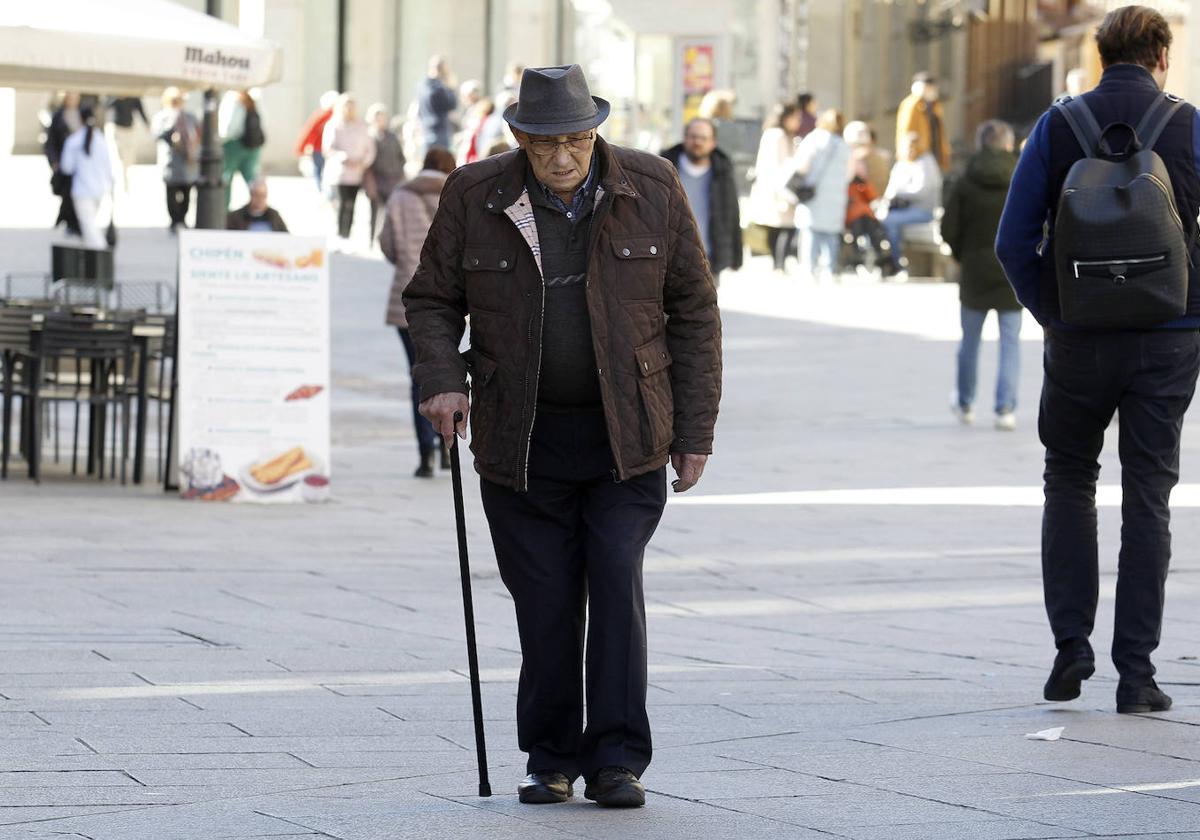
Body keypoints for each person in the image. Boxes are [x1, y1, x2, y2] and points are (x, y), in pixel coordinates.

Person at [403, 64, 721, 809]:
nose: (564, 157)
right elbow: (431, 301)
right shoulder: (475, 194)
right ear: (520, 138)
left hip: (628, 435)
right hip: (523, 438)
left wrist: (696, 429)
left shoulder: (653, 187)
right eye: (548, 144)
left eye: (578, 140)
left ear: (595, 132)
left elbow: (696, 312)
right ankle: (549, 755)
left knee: (614, 585)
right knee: (543, 600)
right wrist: (442, 379)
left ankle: (616, 759)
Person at [996, 5, 1200, 715]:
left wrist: (1056, 314)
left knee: (1069, 480)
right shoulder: (1189, 125)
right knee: (1148, 495)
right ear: (1161, 56)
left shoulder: (1058, 124)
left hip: (1080, 339)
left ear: (1098, 53)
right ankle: (1136, 675)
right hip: (1169, 339)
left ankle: (1069, 649)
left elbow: (1012, 241)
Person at [380, 147, 456, 478]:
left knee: (417, 375)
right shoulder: (456, 193)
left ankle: (424, 455)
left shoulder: (400, 195)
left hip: (405, 298)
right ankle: (447, 446)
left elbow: (386, 244)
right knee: (446, 371)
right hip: (449, 300)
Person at [941, 119, 1020, 430]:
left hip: (974, 269)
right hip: (1011, 270)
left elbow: (949, 227)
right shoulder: (1020, 177)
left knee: (970, 341)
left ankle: (965, 402)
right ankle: (1005, 408)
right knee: (1010, 343)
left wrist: (964, 254)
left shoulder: (965, 179)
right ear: (1008, 144)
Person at [661, 117, 743, 277]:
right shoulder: (665, 167)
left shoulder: (723, 172)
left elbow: (732, 213)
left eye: (703, 138)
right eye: (693, 136)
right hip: (670, 257)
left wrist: (736, 257)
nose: (697, 142)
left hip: (708, 258)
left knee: (706, 302)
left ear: (713, 142)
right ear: (685, 139)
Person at [792, 109, 852, 280]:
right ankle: (830, 269)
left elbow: (802, 165)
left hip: (814, 193)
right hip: (836, 196)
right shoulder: (843, 145)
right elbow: (849, 173)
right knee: (831, 234)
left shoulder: (814, 139)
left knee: (811, 231)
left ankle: (809, 269)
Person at [879, 132, 942, 279]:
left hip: (923, 210)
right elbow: (890, 190)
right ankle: (892, 261)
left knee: (889, 222)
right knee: (885, 222)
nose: (909, 150)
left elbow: (922, 190)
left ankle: (896, 263)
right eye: (906, 147)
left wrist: (900, 193)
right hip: (900, 210)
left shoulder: (926, 163)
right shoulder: (900, 164)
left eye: (912, 147)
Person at [749, 103, 802, 272]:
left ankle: (777, 264)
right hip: (779, 187)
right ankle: (779, 265)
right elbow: (781, 164)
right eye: (796, 117)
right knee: (785, 226)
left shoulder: (772, 134)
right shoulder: (779, 136)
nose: (798, 121)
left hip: (770, 186)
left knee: (777, 226)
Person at [322, 93, 376, 241]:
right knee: (342, 203)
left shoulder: (362, 126)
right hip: (339, 173)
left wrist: (363, 162)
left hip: (357, 173)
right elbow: (328, 148)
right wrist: (343, 157)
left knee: (351, 204)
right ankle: (340, 234)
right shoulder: (333, 125)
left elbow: (370, 148)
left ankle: (347, 234)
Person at [58, 106, 114, 250]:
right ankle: (91, 259)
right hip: (100, 189)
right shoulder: (101, 140)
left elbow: (66, 167)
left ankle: (101, 256)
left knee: (90, 228)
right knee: (90, 226)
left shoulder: (74, 141)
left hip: (82, 190)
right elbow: (108, 167)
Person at [152, 87, 200, 233]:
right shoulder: (162, 117)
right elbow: (156, 135)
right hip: (171, 161)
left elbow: (197, 133)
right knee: (171, 193)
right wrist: (170, 130)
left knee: (186, 193)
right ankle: (174, 220)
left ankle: (183, 219)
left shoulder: (189, 117)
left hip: (187, 161)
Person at [365, 103, 406, 245]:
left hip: (393, 179)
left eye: (382, 117)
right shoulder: (369, 136)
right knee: (375, 211)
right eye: (377, 117)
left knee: (392, 213)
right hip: (376, 179)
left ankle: (389, 241)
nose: (380, 120)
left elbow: (401, 157)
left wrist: (400, 173)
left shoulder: (393, 137)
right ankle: (371, 239)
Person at [44, 91, 83, 237]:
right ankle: (70, 222)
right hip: (64, 161)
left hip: (81, 163)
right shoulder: (58, 117)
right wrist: (54, 161)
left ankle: (73, 221)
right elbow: (51, 142)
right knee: (68, 192)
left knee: (79, 193)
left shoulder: (83, 115)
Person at [896, 72, 951, 171]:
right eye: (928, 88)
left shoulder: (934, 105)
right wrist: (910, 153)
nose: (932, 91)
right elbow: (906, 131)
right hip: (919, 157)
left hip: (933, 151)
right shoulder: (912, 105)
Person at [220, 89, 265, 209]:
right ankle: (259, 207)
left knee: (226, 178)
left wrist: (221, 140)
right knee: (252, 179)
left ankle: (224, 210)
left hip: (233, 144)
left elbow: (229, 126)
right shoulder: (256, 98)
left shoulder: (233, 98)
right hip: (253, 145)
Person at [295, 90, 338, 190]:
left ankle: (322, 191)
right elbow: (311, 131)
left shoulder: (321, 115)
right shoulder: (328, 116)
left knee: (319, 171)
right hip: (323, 149)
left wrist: (300, 149)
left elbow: (309, 132)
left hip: (321, 149)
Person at [105, 96, 148, 193]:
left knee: (129, 159)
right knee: (119, 158)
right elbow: (107, 105)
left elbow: (140, 109)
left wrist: (146, 124)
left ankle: (126, 180)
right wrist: (117, 98)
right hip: (118, 129)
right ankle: (120, 182)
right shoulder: (115, 94)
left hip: (130, 129)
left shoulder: (133, 95)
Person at [416, 55, 458, 152]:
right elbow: (452, 104)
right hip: (439, 132)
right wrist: (451, 88)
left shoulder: (421, 85)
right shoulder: (438, 88)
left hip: (425, 131)